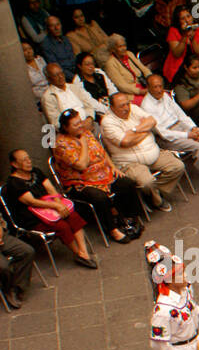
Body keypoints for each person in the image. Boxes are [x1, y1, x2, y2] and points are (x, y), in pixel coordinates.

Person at [51, 110, 143, 245]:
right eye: (75, 125)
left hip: (103, 174)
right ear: (66, 127)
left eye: (80, 122)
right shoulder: (61, 144)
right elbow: (82, 165)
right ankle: (113, 230)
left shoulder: (86, 133)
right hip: (81, 182)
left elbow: (102, 152)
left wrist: (113, 168)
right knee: (99, 197)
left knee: (127, 183)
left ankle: (130, 219)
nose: (80, 126)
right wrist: (82, 143)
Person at [4, 149, 96, 269]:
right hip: (32, 216)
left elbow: (51, 189)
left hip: (51, 207)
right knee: (62, 226)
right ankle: (77, 252)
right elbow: (31, 201)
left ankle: (83, 252)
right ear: (15, 164)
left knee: (72, 216)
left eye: (28, 158)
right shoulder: (14, 183)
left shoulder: (35, 172)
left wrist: (59, 204)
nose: (28, 162)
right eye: (24, 160)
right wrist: (56, 206)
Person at [99, 92, 186, 213]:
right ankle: (157, 201)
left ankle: (154, 193)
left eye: (127, 104)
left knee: (178, 166)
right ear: (112, 107)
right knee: (147, 182)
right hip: (130, 162)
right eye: (121, 106)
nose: (126, 108)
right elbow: (125, 142)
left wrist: (135, 130)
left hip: (153, 153)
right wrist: (145, 131)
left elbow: (152, 121)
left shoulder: (133, 109)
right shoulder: (107, 122)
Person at [41, 61, 101, 126]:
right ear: (49, 79)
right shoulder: (48, 97)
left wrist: (90, 118)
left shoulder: (73, 87)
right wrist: (76, 128)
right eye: (56, 75)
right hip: (71, 131)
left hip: (88, 123)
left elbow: (89, 106)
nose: (60, 77)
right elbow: (55, 122)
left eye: (61, 73)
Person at [163, 7, 199, 84]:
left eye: (188, 16)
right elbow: (176, 54)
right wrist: (184, 36)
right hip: (179, 67)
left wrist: (192, 39)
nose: (187, 20)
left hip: (197, 65)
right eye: (183, 18)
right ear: (178, 21)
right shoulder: (173, 31)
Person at [102, 34, 151, 102]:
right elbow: (121, 86)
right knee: (149, 102)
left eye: (124, 45)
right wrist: (140, 91)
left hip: (143, 85)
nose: (124, 48)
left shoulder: (129, 54)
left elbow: (144, 69)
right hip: (130, 93)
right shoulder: (110, 64)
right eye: (120, 46)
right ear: (113, 49)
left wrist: (151, 79)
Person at [0, 230, 36, 309]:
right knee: (3, 266)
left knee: (27, 251)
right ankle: (8, 289)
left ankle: (17, 286)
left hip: (2, 237)